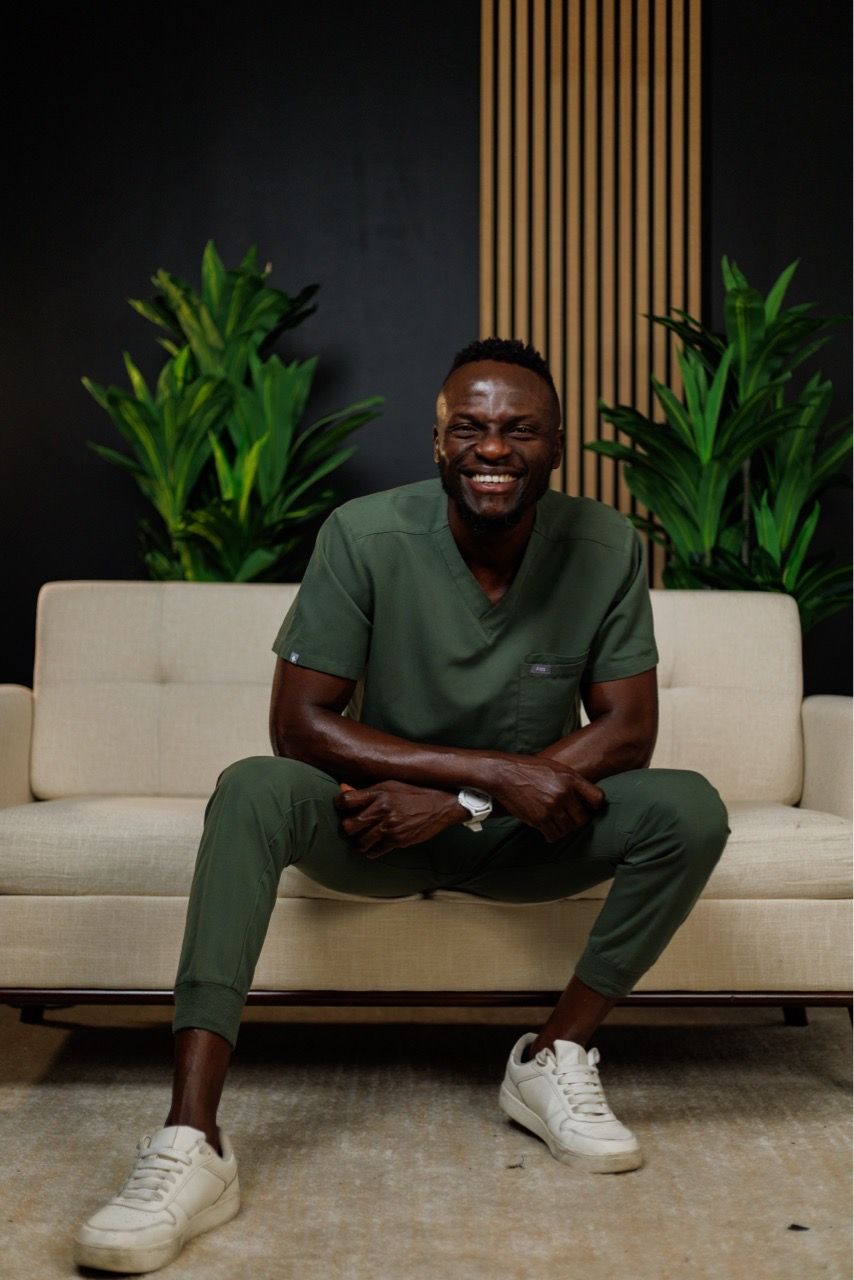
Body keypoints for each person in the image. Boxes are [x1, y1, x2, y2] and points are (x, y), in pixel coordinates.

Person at [74, 337, 731, 1273]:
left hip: (520, 839)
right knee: (252, 787)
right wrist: (489, 775)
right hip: (373, 830)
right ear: (437, 442)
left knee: (689, 809)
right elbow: (298, 724)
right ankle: (192, 1139)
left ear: (556, 445)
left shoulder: (606, 544)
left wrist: (464, 800)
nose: (492, 448)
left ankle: (552, 1056)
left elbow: (629, 731)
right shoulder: (364, 534)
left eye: (519, 429)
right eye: (469, 427)